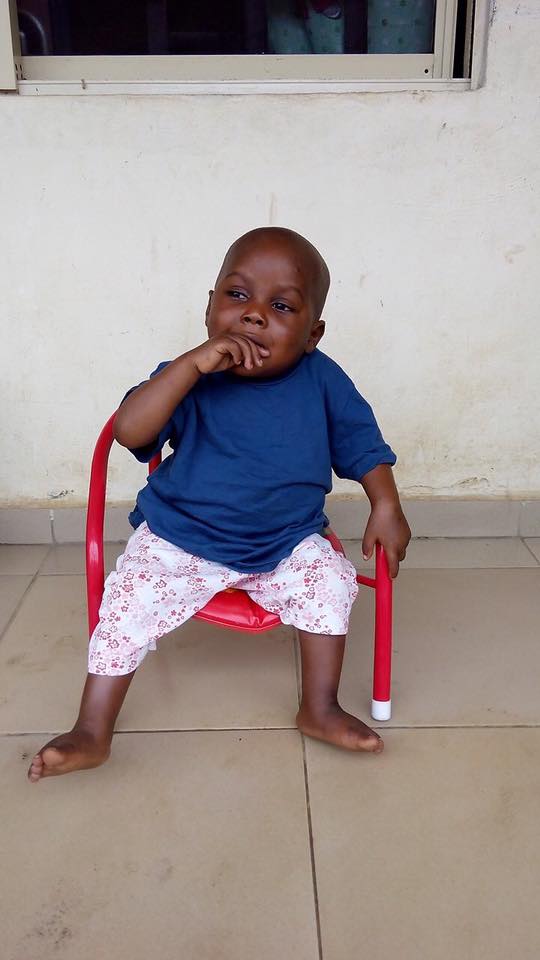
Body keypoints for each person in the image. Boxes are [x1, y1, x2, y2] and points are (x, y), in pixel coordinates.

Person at [28, 226, 411, 782]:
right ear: (209, 307)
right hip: (180, 537)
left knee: (330, 579)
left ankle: (319, 707)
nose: (253, 315)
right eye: (237, 296)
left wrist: (385, 503)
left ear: (312, 335)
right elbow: (131, 431)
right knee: (130, 597)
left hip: (285, 541)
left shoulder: (323, 380)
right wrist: (189, 368)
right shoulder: (190, 374)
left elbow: (362, 444)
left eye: (281, 306)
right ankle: (92, 729)